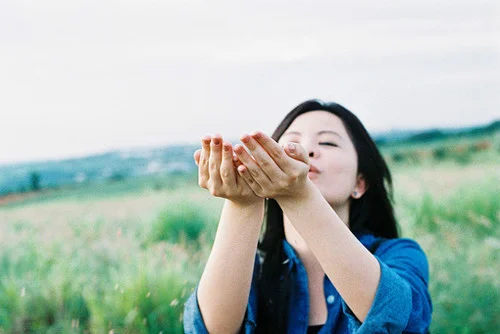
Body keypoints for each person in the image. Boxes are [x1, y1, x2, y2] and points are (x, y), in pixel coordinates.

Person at [183, 99, 432, 333]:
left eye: (328, 143)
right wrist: (242, 203)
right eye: (291, 141)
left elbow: (401, 322)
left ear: (360, 183)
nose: (307, 149)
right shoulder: (250, 269)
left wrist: (300, 196)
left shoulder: (399, 254)